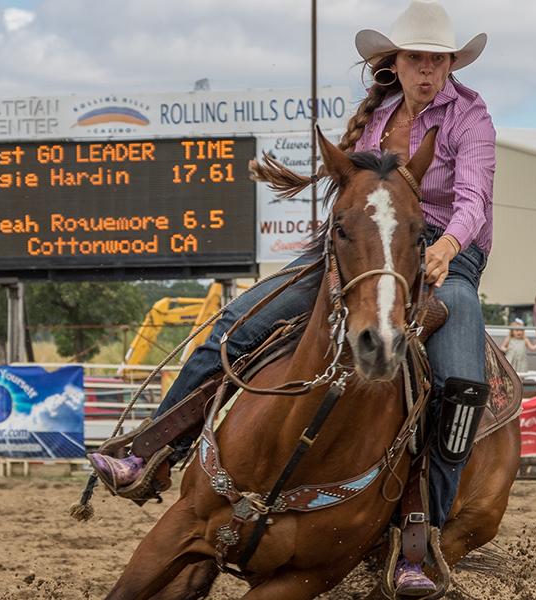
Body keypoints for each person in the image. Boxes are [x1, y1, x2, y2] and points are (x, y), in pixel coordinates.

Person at [91, 1, 496, 592]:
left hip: (444, 255)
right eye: (416, 58)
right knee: (237, 327)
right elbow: (358, 199)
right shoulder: (380, 115)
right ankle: (152, 448)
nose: (427, 70)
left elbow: (474, 198)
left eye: (438, 59)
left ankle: (419, 541)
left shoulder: (472, 117)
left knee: (460, 387)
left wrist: (449, 246)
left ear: (451, 64)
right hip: (363, 247)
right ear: (396, 62)